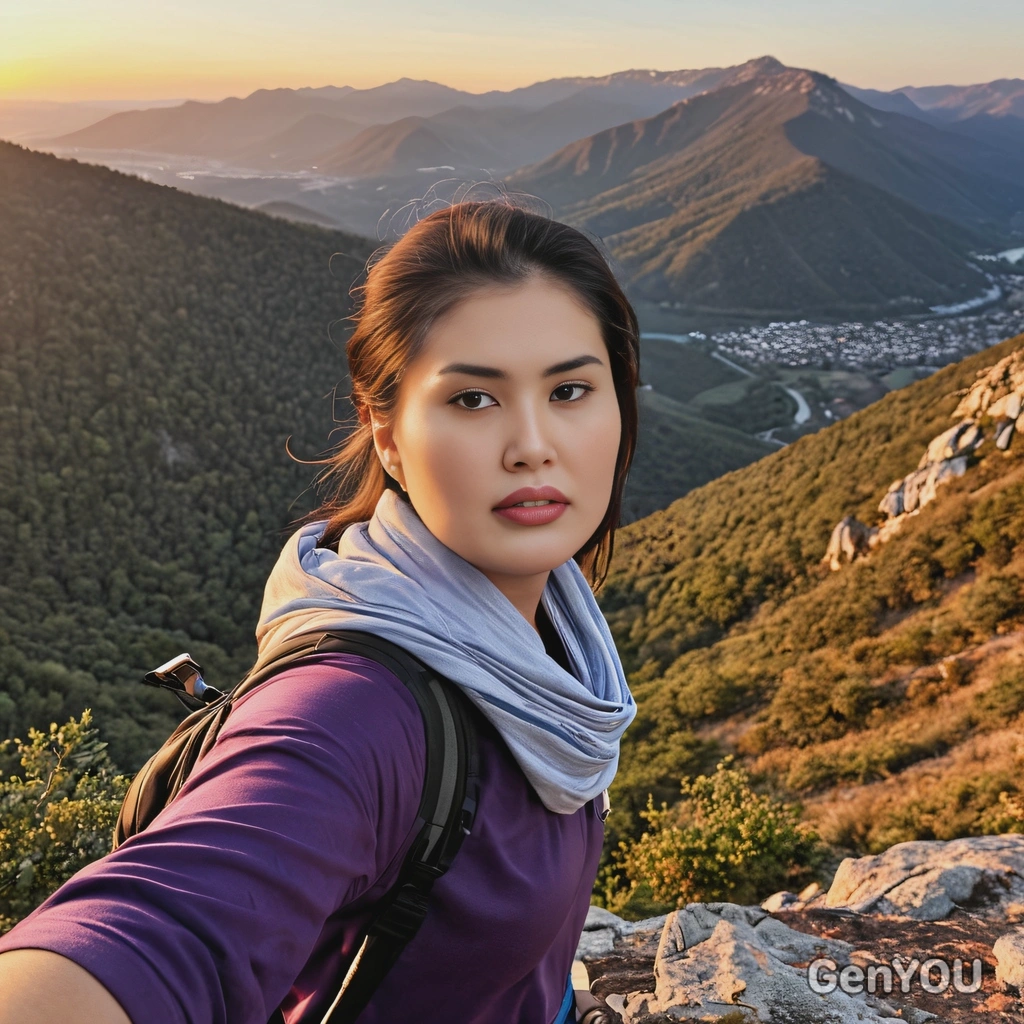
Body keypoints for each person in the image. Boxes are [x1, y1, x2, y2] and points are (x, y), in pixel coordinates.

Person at [0, 196, 641, 1023]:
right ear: (386, 433)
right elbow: (159, 934)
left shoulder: (550, 634)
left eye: (571, 390)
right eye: (473, 400)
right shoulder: (355, 715)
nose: (533, 446)